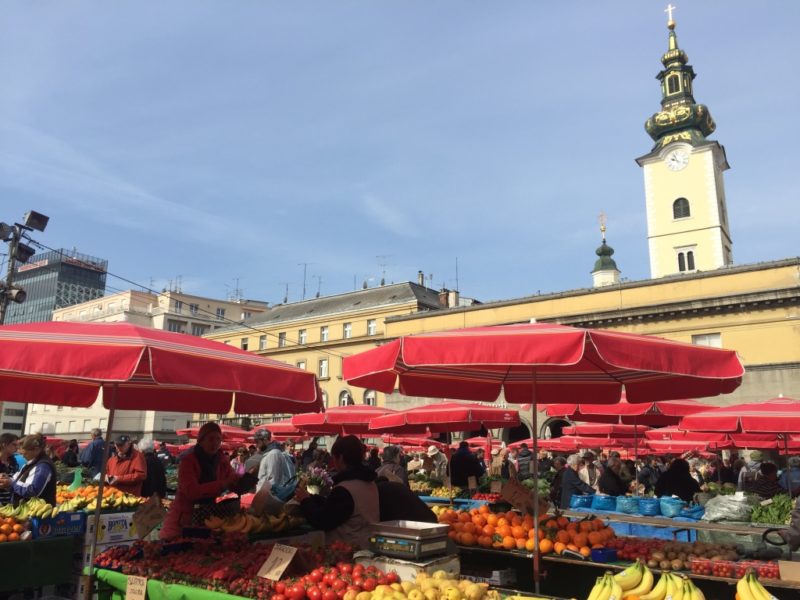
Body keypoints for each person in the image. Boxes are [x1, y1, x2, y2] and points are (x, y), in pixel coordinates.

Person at [294, 435, 379, 549]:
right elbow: (339, 508)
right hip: (367, 546)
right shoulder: (370, 482)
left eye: (334, 458)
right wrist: (312, 498)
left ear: (341, 458)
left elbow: (322, 520)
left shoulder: (345, 489)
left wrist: (305, 501)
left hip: (346, 551)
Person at [160, 422, 241, 540]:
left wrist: (242, 480)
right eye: (211, 439)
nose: (215, 443)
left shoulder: (221, 460)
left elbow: (232, 477)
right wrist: (222, 484)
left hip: (207, 517)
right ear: (201, 440)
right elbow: (191, 491)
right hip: (182, 520)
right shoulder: (188, 461)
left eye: (218, 439)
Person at [0, 434, 57, 506]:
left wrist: (11, 483)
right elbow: (17, 479)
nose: (22, 456)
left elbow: (32, 491)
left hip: (35, 509)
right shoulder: (31, 462)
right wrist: (7, 478)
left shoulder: (43, 466)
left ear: (36, 449)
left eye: (25, 453)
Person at [0, 434, 20, 505]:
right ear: (4, 445)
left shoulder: (13, 462)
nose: (17, 447)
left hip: (10, 503)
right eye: (14, 444)